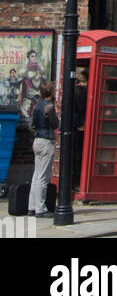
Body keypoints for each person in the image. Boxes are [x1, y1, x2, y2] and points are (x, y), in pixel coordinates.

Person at [28, 80, 58, 217]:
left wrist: (37, 133)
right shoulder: (49, 107)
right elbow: (55, 124)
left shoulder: (37, 105)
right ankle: (40, 209)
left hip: (37, 140)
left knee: (36, 176)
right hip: (46, 142)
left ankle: (31, 207)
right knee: (43, 178)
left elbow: (32, 125)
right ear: (50, 92)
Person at [73, 68, 89, 189]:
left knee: (74, 155)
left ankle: (73, 181)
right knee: (79, 156)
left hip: (72, 127)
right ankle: (78, 181)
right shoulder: (82, 92)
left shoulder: (71, 91)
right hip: (82, 128)